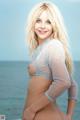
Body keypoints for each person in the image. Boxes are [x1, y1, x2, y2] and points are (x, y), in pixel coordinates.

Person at [22, 1, 78, 120]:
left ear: (55, 25)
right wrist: (68, 116)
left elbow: (64, 82)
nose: (42, 26)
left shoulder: (53, 46)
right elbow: (73, 85)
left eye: (48, 22)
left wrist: (31, 110)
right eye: (38, 20)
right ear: (33, 22)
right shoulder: (42, 48)